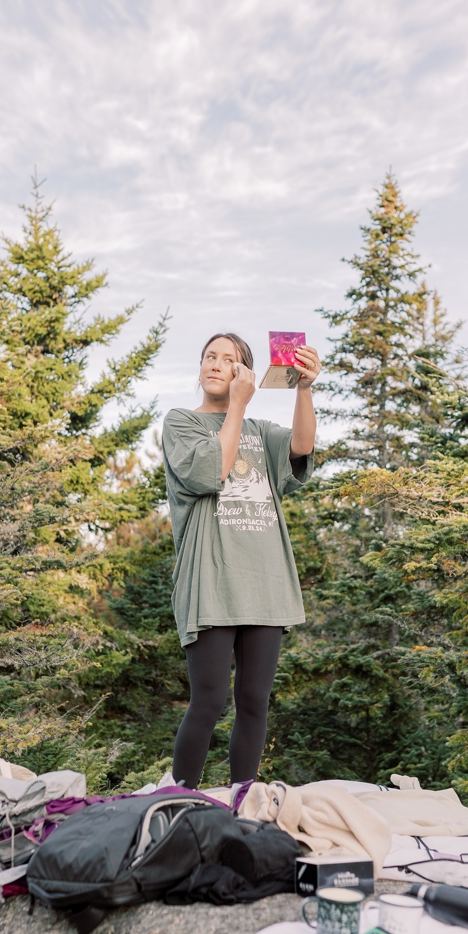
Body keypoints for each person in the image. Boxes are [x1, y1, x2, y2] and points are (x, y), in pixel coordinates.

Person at [161, 332, 321, 790]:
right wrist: (237, 406)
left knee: (254, 701)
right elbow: (213, 471)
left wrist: (304, 387)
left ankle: (242, 801)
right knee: (208, 701)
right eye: (209, 355)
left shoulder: (261, 433)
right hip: (211, 581)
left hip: (264, 583)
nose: (215, 363)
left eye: (227, 359)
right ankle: (178, 800)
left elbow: (302, 448)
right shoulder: (181, 423)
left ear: (242, 372)